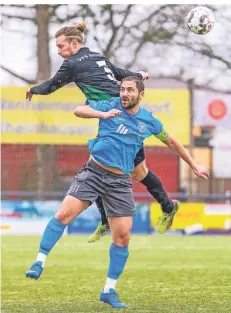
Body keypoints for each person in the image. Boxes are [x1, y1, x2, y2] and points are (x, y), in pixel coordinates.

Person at [26, 76, 210, 309]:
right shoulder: (109, 104)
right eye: (122, 89)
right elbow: (78, 110)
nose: (124, 93)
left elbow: (172, 142)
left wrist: (194, 165)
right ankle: (39, 262)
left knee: (122, 237)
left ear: (140, 95)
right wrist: (101, 115)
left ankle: (108, 290)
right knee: (64, 214)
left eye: (130, 90)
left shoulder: (148, 121)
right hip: (93, 172)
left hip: (120, 182)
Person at [26, 22, 179, 240]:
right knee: (108, 164)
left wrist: (34, 89)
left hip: (116, 117)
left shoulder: (71, 64)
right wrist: (136, 74)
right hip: (113, 113)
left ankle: (165, 207)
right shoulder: (97, 56)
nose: (59, 52)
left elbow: (53, 85)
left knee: (121, 168)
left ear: (75, 43)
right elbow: (118, 74)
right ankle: (113, 218)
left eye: (60, 47)